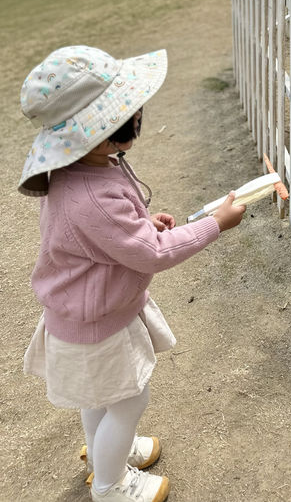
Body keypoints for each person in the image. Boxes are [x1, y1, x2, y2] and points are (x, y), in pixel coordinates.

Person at [19, 45, 246, 502]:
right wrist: (213, 224)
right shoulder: (94, 192)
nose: (140, 112)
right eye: (130, 108)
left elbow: (115, 237)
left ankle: (108, 451)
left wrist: (144, 223)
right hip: (98, 324)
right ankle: (110, 485)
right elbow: (152, 254)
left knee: (100, 397)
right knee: (129, 398)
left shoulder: (82, 167)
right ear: (103, 133)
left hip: (84, 316)